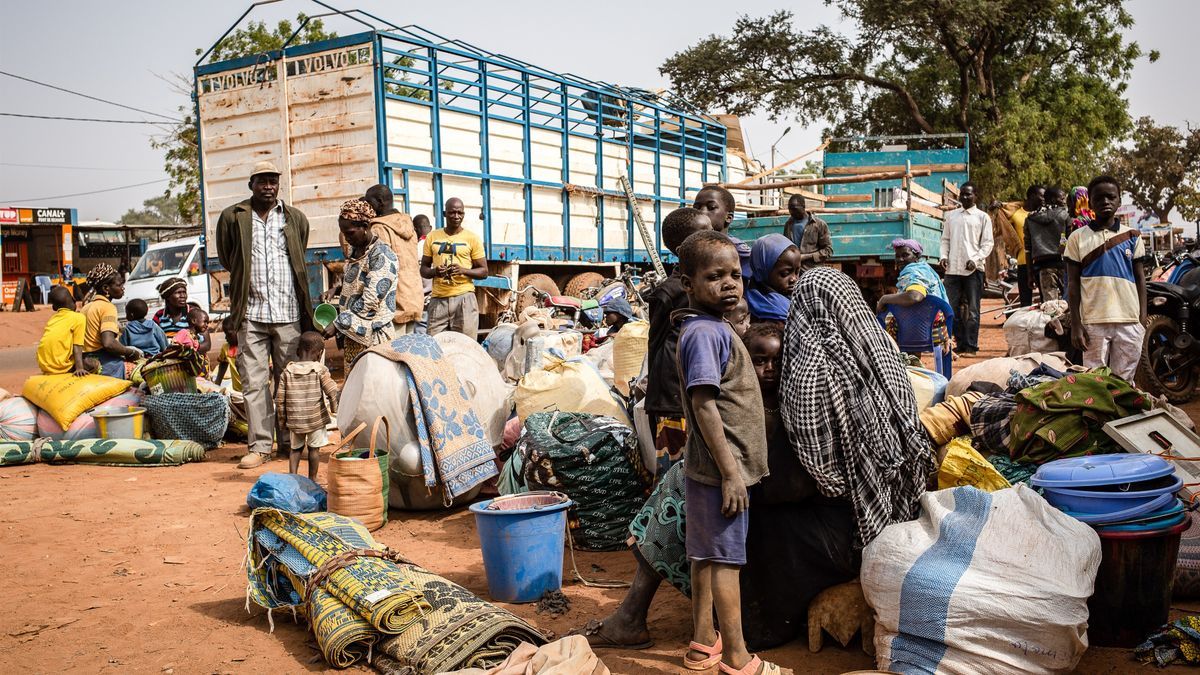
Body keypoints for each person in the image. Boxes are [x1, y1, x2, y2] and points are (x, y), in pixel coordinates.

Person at [571, 320, 858, 662]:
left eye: (777, 363)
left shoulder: (802, 402)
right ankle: (669, 623)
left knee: (685, 501)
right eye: (759, 362)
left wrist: (739, 480)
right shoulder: (746, 398)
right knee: (685, 493)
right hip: (778, 507)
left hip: (806, 522)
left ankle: (660, 621)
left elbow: (793, 483)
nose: (769, 371)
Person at [673, 230, 779, 675]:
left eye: (735, 274)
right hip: (722, 471)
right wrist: (732, 473)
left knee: (705, 554)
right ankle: (737, 658)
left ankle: (703, 642)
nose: (730, 284)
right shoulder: (703, 334)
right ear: (688, 284)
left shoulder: (713, 327)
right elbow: (703, 404)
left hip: (710, 469)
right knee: (725, 561)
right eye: (715, 276)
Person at [215, 160, 314, 470]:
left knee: (289, 380)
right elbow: (227, 257)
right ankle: (259, 446)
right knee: (254, 382)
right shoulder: (234, 217)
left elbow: (300, 255)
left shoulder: (295, 218)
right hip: (251, 313)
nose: (268, 186)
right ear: (251, 185)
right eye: (262, 181)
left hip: (288, 311)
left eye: (273, 180)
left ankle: (289, 443)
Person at [646, 206, 713, 474]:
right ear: (681, 247)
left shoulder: (708, 285)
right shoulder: (670, 292)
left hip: (696, 390)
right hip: (674, 399)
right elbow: (657, 342)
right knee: (676, 476)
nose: (714, 236)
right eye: (704, 233)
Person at [1065, 175, 1148, 381]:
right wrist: (1076, 323)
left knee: (1125, 381)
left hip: (1128, 320)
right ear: (1090, 202)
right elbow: (1073, 284)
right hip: (1093, 322)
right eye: (1099, 198)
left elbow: (1140, 279)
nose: (1105, 202)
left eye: (1111, 197)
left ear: (1119, 200)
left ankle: (1122, 415)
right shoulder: (1077, 238)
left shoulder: (1133, 236)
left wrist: (1142, 318)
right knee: (1095, 381)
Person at [350, 184, 424, 335]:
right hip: (413, 298)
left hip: (393, 305)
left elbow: (381, 269)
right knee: (407, 352)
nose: (367, 208)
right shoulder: (408, 223)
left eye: (370, 203)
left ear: (380, 201)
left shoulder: (379, 229)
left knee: (390, 354)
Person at [334, 198, 399, 365]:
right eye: (343, 233)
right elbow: (357, 283)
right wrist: (336, 289)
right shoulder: (355, 251)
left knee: (374, 387)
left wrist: (337, 325)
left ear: (365, 227)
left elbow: (370, 301)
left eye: (350, 233)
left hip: (374, 339)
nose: (346, 238)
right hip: (353, 335)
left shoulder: (382, 255)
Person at [274, 331, 340, 482]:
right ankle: (312, 478)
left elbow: (280, 400)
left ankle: (292, 477)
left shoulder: (287, 372)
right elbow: (332, 390)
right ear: (319, 353)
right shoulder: (319, 370)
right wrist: (335, 409)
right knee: (313, 449)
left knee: (295, 449)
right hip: (315, 420)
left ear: (298, 351)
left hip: (295, 420)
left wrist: (283, 421)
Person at [421, 197, 488, 340]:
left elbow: (484, 271)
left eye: (460, 213)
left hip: (464, 299)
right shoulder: (432, 237)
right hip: (438, 300)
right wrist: (435, 272)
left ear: (463, 214)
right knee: (433, 346)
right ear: (445, 214)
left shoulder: (472, 238)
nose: (456, 216)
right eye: (452, 212)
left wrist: (463, 270)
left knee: (466, 347)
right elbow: (423, 269)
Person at [939, 181, 993, 356]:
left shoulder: (983, 217)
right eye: (962, 194)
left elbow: (987, 244)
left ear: (975, 195)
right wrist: (944, 257)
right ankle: (960, 344)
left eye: (968, 194)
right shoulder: (951, 216)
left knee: (973, 310)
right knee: (950, 309)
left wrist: (975, 259)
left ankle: (971, 346)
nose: (964, 197)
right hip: (952, 270)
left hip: (973, 270)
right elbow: (945, 240)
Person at [877, 238, 950, 357]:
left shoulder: (914, 272)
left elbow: (915, 296)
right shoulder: (926, 269)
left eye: (905, 255)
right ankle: (914, 363)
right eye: (898, 256)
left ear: (916, 256)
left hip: (924, 331)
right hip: (939, 331)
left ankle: (896, 363)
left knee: (885, 326)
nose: (900, 259)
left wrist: (884, 299)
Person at [82, 264, 142, 377]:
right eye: (119, 285)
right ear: (106, 288)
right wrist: (131, 352)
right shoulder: (107, 307)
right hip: (105, 364)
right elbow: (109, 343)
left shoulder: (86, 307)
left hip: (87, 361)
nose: (122, 288)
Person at [693, 185, 752, 277]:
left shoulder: (738, 251)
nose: (702, 212)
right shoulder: (692, 247)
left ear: (728, 218)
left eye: (711, 207)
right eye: (697, 208)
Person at [1026, 187, 1069, 301]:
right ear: (1054, 200)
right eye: (1062, 198)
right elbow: (1068, 240)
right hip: (1064, 265)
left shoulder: (1031, 219)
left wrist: (1030, 274)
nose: (1064, 201)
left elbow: (1028, 249)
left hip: (1043, 267)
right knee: (1069, 303)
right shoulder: (1065, 215)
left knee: (1050, 307)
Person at [746, 233, 801, 322]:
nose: (794, 279)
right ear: (763, 270)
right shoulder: (771, 313)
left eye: (797, 272)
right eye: (785, 273)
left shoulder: (792, 296)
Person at [37, 285, 89, 377]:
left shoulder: (52, 319)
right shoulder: (79, 318)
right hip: (61, 366)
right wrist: (79, 368)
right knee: (94, 363)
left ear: (54, 308)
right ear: (74, 300)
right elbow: (77, 345)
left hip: (43, 365)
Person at [1010, 185, 1045, 306]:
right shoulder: (1015, 215)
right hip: (1023, 262)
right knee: (1025, 301)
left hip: (1042, 261)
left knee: (1046, 299)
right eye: (1041, 196)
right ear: (1032, 196)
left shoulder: (1045, 214)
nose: (1044, 199)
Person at [781, 194, 833, 270]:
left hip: (813, 271)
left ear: (803, 206)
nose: (792, 212)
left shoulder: (819, 225)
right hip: (794, 271)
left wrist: (805, 257)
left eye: (795, 209)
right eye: (790, 209)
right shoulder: (788, 225)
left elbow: (828, 251)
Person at [213, 316, 241, 391]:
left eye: (228, 334)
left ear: (239, 331)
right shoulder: (226, 348)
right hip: (238, 391)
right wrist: (216, 385)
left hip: (255, 391)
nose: (226, 338)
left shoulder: (251, 347)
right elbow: (223, 364)